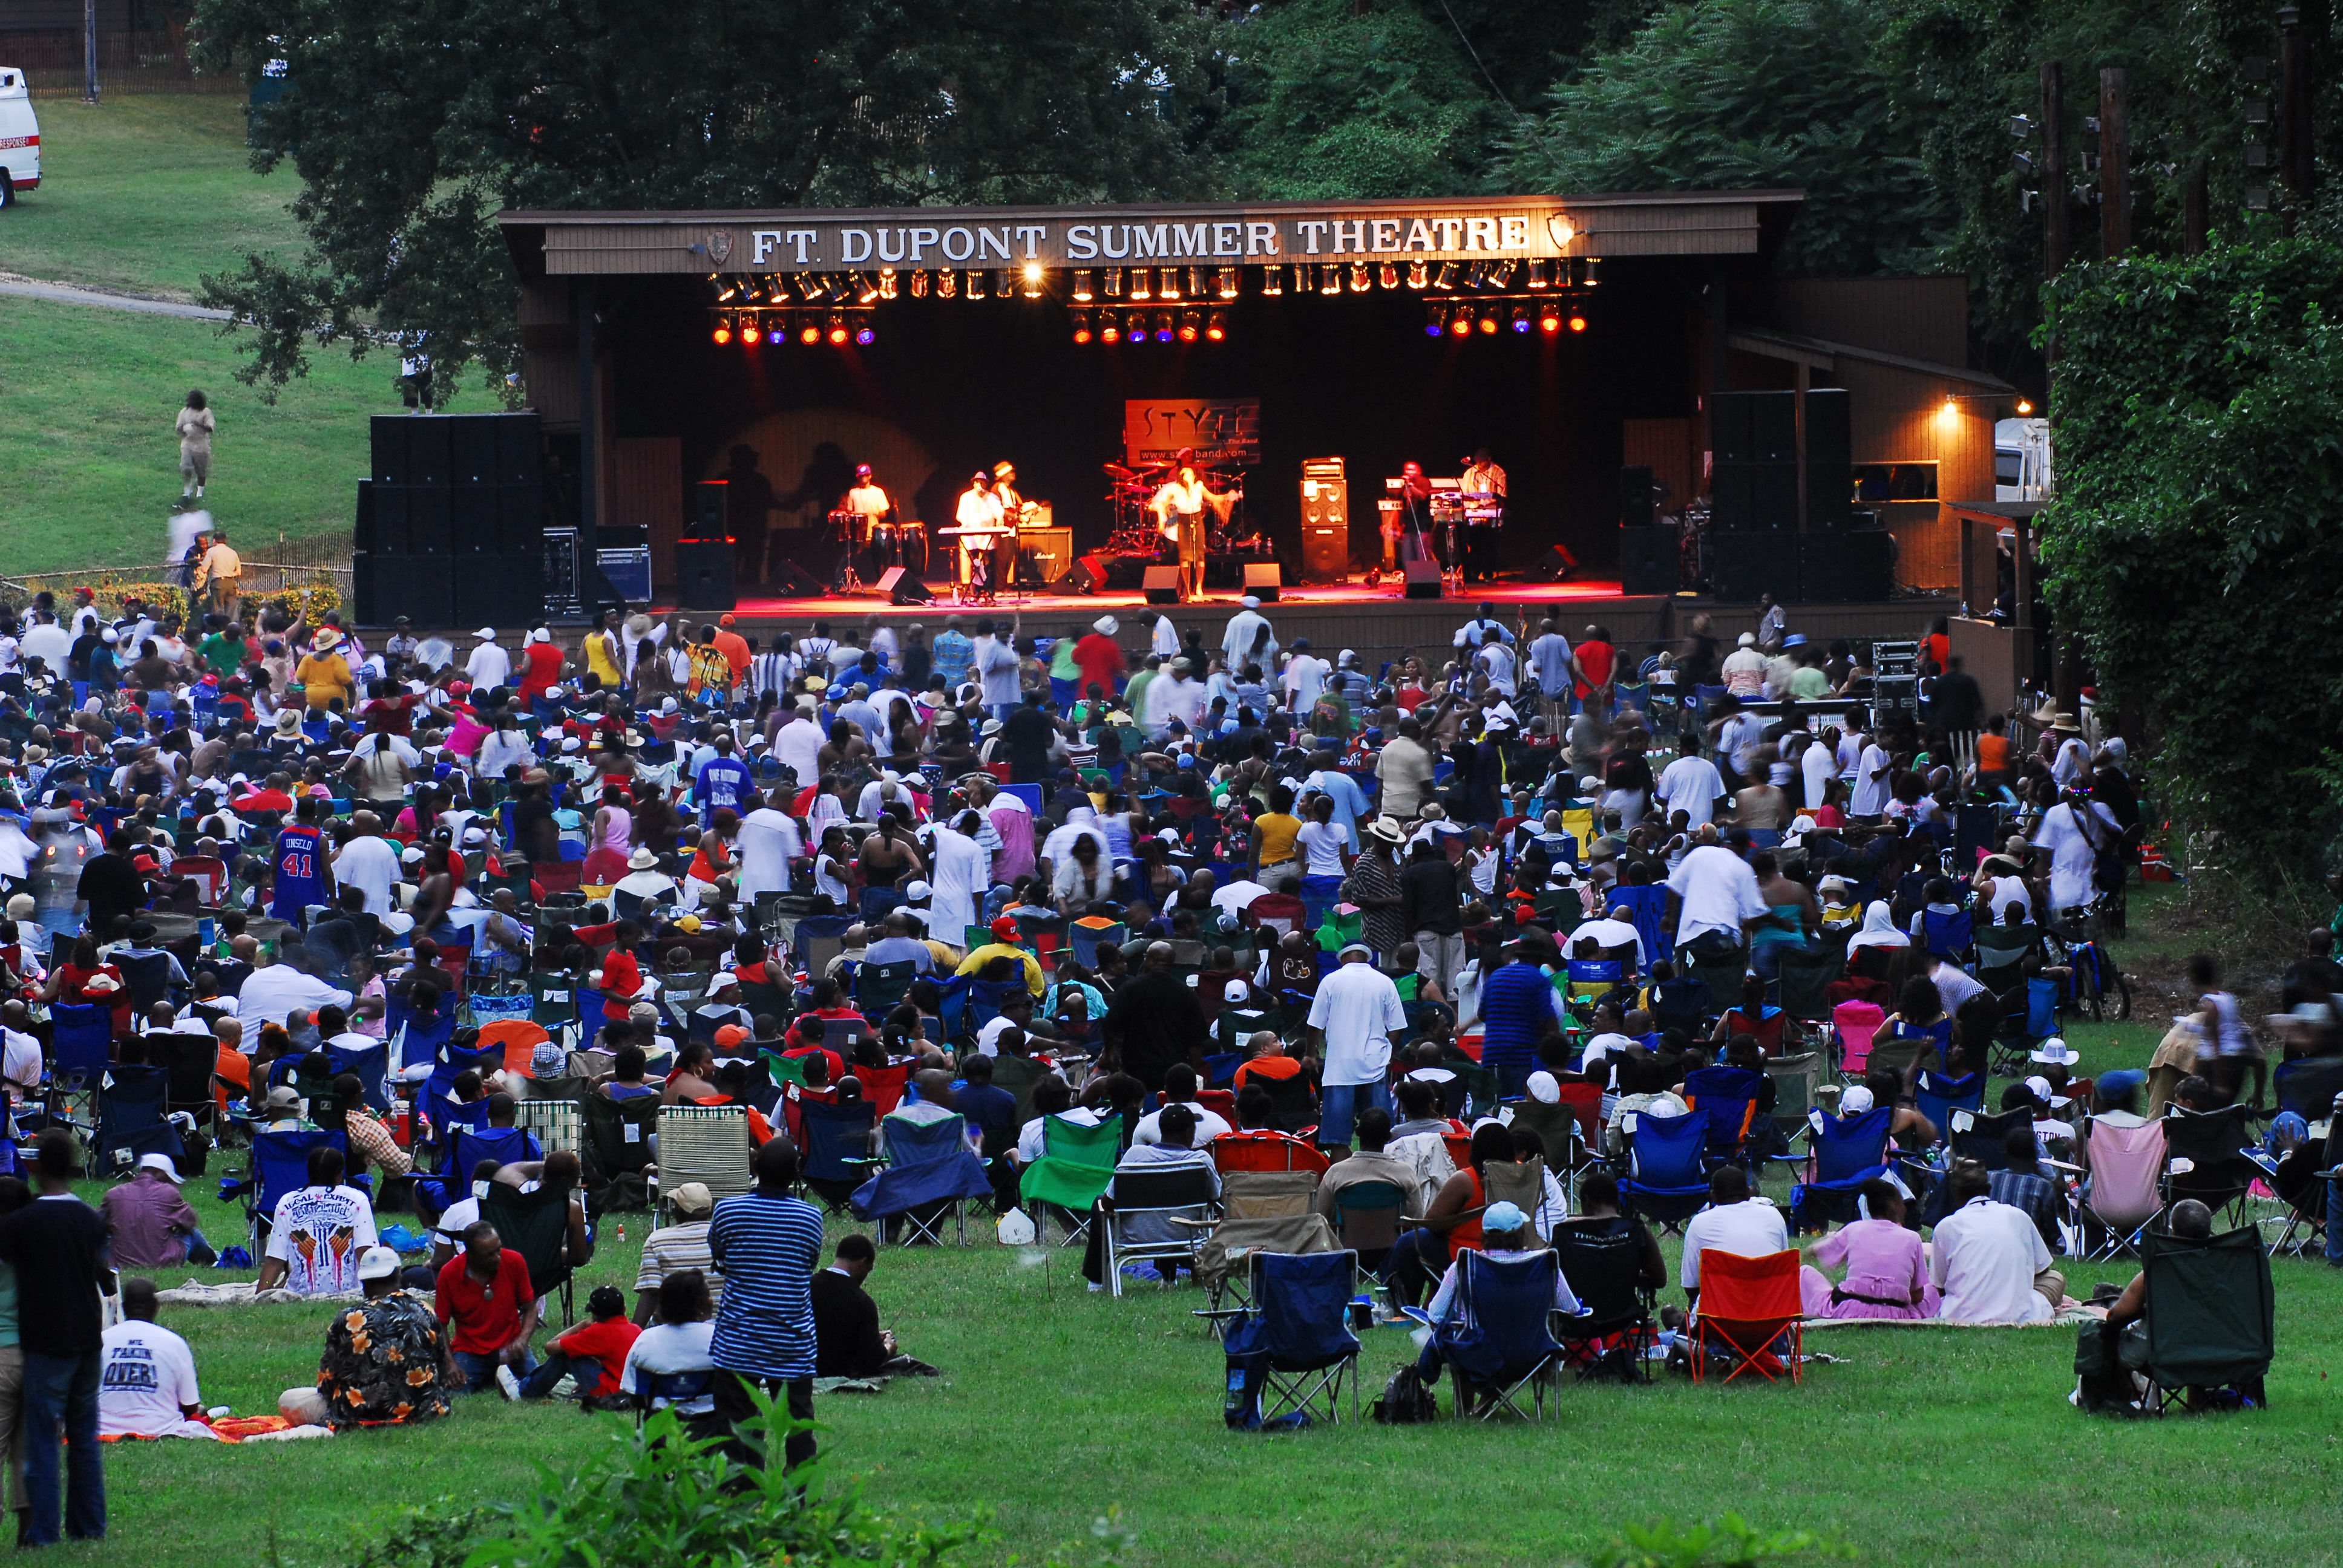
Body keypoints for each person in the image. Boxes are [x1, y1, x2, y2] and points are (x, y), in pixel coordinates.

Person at [0, 1131, 112, 1544]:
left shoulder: (21, 1224)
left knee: (44, 1441)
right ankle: (89, 1526)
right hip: (87, 1338)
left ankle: (44, 1532)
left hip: (45, 1340)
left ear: (36, 1168)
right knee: (84, 1439)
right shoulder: (90, 1219)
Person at [707, 1138, 824, 1470]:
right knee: (798, 1422)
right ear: (796, 1174)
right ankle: (800, 1490)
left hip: (739, 1337)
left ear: (755, 1168)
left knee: (735, 1420)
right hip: (792, 1338)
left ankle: (743, 1485)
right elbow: (809, 1262)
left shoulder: (729, 1210)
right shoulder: (810, 1216)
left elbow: (717, 1250)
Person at [292, 1243, 451, 1428]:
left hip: (358, 1412)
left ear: (364, 1282)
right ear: (398, 1275)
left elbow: (327, 1381)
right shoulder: (424, 1310)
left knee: (290, 1399)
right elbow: (441, 1367)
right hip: (422, 1410)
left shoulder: (349, 1318)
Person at [1930, 1160, 2062, 1324]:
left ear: (1954, 1192)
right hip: (2020, 1315)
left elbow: (1939, 1286)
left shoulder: (1946, 1226)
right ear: (1989, 1188)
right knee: (2055, 1278)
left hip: (1960, 1315)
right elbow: (2042, 1270)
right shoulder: (2018, 1216)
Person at [1305, 942, 1406, 1154]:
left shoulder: (1330, 981)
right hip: (1374, 1066)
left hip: (1339, 1069)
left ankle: (1342, 1183)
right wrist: (1388, 1052)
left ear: (1342, 959)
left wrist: (1310, 1055)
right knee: (1380, 1136)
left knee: (1338, 1140)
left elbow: (1314, 1025)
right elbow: (1397, 1027)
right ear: (1367, 958)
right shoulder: (1385, 982)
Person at [1796, 1180, 1938, 1319]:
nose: (1905, 1208)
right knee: (1936, 1286)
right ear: (1895, 1206)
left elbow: (1815, 1250)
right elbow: (1918, 1295)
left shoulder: (1854, 1229)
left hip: (1851, 1310)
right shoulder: (1913, 1238)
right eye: (1902, 1203)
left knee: (1804, 1272)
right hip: (1898, 1313)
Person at [95, 1278, 214, 1440]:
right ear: (155, 1307)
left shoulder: (100, 1341)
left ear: (124, 1307)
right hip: (161, 1429)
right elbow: (191, 1406)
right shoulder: (174, 1343)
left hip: (102, 1428)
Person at [811, 1233, 940, 1379]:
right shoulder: (862, 1302)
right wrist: (888, 1348)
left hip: (805, 1366)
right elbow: (871, 1361)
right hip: (840, 1370)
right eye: (868, 1269)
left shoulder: (805, 1287)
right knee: (910, 1364)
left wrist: (871, 1336)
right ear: (862, 1263)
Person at [434, 1220, 541, 1394]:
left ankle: (498, 1377)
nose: (497, 1257)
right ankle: (494, 1378)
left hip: (511, 1348)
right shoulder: (449, 1274)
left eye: (498, 1250)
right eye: (489, 1255)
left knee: (540, 1386)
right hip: (470, 1351)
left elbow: (531, 1308)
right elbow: (440, 1325)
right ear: (471, 1254)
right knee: (454, 1392)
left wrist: (522, 1341)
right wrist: (450, 1363)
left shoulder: (514, 1261)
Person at [257, 1143, 378, 1295]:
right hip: (348, 1291)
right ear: (340, 1174)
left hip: (299, 1293)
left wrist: (263, 1291)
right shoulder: (358, 1200)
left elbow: (275, 1262)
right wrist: (376, 1291)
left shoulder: (286, 1203)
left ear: (309, 1172)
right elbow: (365, 1252)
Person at [1678, 1165, 1788, 1310]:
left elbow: (1691, 1288)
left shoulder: (1699, 1223)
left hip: (1719, 1320)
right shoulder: (1774, 1216)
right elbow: (1784, 1273)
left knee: (1673, 1315)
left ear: (1713, 1197)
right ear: (1749, 1193)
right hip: (1771, 1315)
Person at [621, 1268, 720, 1420]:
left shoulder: (645, 1339)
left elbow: (636, 1396)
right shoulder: (720, 1339)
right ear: (703, 1304)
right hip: (713, 1425)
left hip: (661, 1427)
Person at [511, 1285, 640, 1402]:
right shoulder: (636, 1329)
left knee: (565, 1354)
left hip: (614, 1394)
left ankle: (525, 1390)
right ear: (624, 1309)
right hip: (636, 1391)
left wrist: (580, 1326)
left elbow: (550, 1347)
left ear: (594, 1315)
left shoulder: (598, 1331)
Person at [99, 1152, 215, 1269]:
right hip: (163, 1262)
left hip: (120, 1262)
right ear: (157, 1172)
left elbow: (95, 1226)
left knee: (106, 1236)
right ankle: (215, 1260)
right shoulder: (168, 1192)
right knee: (191, 1234)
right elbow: (190, 1222)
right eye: (168, 1178)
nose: (170, 1183)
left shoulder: (114, 1194)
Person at [175, 390, 215, 499]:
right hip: (187, 443)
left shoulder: (206, 412)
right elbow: (179, 427)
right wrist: (182, 429)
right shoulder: (184, 412)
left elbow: (210, 428)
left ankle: (200, 492)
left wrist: (199, 425)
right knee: (186, 467)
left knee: (201, 470)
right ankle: (187, 490)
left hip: (201, 444)